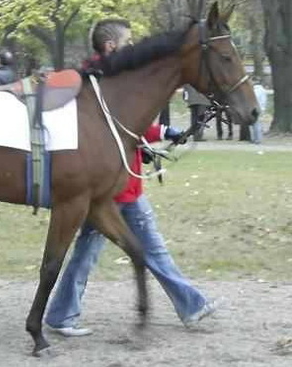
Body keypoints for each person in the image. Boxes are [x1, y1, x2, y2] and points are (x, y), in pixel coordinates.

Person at [45, 19, 217, 337]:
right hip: (111, 187)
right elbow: (113, 127)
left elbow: (127, 124)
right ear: (111, 47)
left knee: (134, 248)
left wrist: (162, 133)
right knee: (111, 249)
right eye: (129, 40)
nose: (134, 46)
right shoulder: (100, 80)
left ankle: (190, 304)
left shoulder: (113, 78)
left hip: (123, 182)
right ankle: (60, 314)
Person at [250, 77, 267, 144]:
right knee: (256, 123)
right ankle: (256, 138)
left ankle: (257, 139)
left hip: (255, 107)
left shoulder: (256, 90)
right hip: (259, 108)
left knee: (256, 124)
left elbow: (255, 99)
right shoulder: (262, 90)